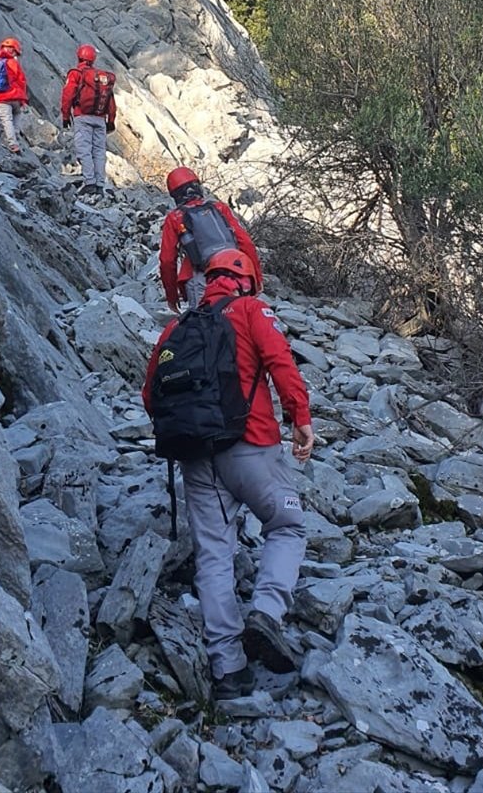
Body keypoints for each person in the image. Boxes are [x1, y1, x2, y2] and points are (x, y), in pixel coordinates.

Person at [141, 248, 314, 699]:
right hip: (251, 446)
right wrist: (301, 418)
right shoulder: (253, 309)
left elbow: (149, 395)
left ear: (205, 280)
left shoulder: (176, 329)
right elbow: (281, 364)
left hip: (197, 456)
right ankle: (267, 613)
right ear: (248, 279)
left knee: (215, 552)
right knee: (287, 525)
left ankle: (228, 667)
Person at [159, 167, 263, 312]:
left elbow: (167, 261)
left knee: (205, 325)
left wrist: (172, 297)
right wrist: (256, 278)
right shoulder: (219, 207)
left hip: (200, 277)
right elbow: (246, 243)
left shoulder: (175, 217)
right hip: (236, 271)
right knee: (240, 320)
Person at [60, 44, 116, 197]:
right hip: (100, 119)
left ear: (79, 57)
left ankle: (89, 182)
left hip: (82, 116)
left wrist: (65, 115)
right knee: (99, 151)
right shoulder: (101, 78)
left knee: (84, 149)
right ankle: (99, 184)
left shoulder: (77, 73)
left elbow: (68, 94)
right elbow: (110, 100)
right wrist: (111, 120)